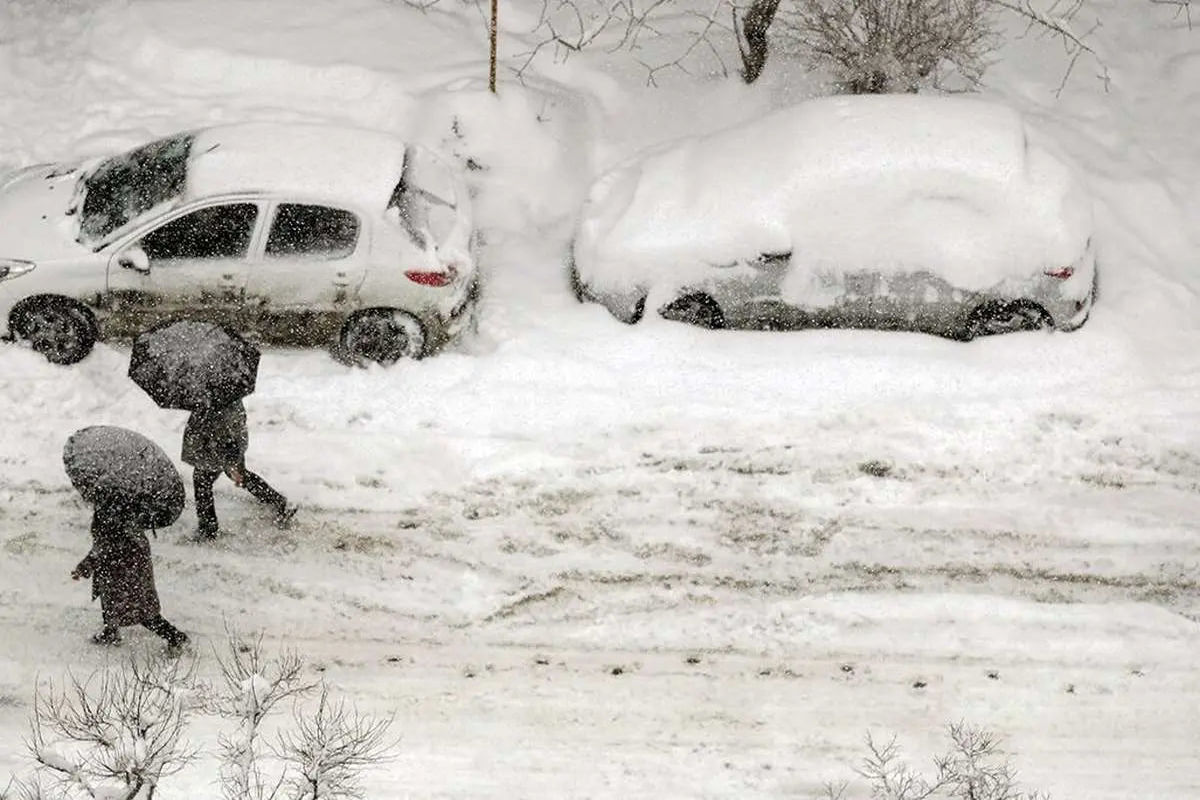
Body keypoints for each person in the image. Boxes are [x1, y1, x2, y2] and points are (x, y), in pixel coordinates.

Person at [71, 497, 188, 653]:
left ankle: (175, 637)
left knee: (141, 611)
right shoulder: (126, 504)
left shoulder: (109, 511)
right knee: (112, 600)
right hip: (131, 564)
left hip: (122, 569)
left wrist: (84, 568)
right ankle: (110, 631)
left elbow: (103, 547)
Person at [183, 398, 296, 540]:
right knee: (229, 476)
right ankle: (277, 501)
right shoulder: (223, 390)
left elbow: (225, 425)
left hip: (218, 443)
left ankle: (208, 529)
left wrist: (232, 460)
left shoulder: (216, 398)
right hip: (218, 441)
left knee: (203, 481)